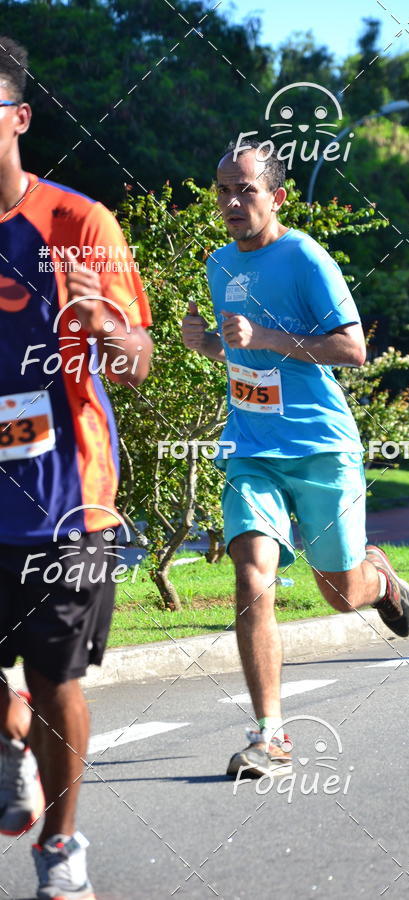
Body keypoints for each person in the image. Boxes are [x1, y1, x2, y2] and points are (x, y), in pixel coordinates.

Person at [182, 139, 409, 780]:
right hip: (252, 450)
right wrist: (210, 345)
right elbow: (244, 363)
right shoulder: (217, 263)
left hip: (319, 446)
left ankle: (380, 578)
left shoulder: (306, 257)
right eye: (223, 189)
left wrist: (266, 338)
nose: (232, 201)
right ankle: (270, 734)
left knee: (340, 595)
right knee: (251, 575)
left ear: (277, 196)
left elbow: (353, 348)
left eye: (246, 190)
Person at [0, 37, 153, 900]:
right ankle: (5, 734)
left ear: (18, 119)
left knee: (54, 680)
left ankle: (60, 847)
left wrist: (111, 331)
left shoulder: (77, 225)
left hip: (65, 501)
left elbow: (137, 357)